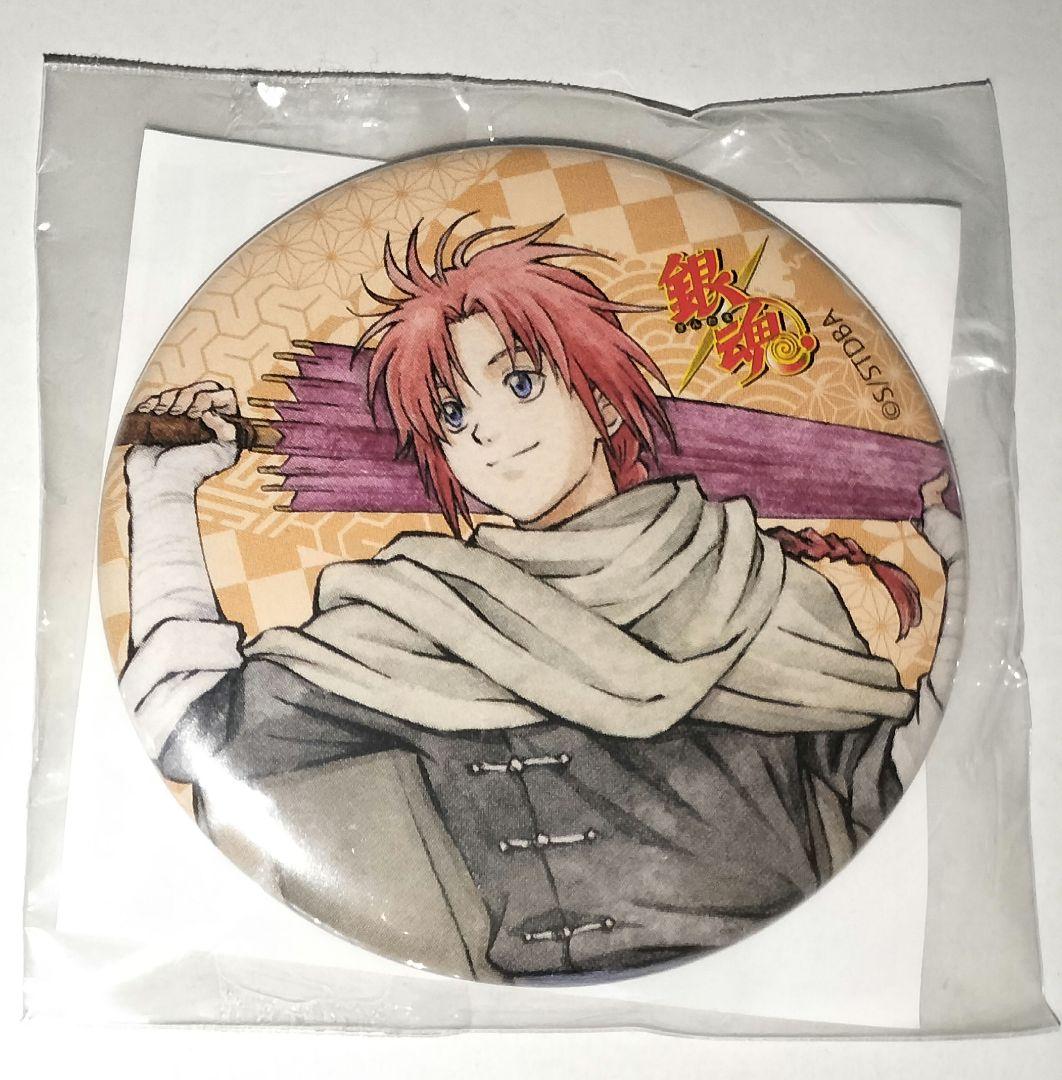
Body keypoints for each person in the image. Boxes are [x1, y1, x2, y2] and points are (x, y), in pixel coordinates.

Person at [118, 220, 965, 979]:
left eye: (520, 383)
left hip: (778, 989)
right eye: (452, 414)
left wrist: (965, 593)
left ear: (603, 404)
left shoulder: (762, 588)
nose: (485, 431)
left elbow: (895, 788)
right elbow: (198, 733)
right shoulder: (421, 615)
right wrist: (162, 496)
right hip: (494, 1032)